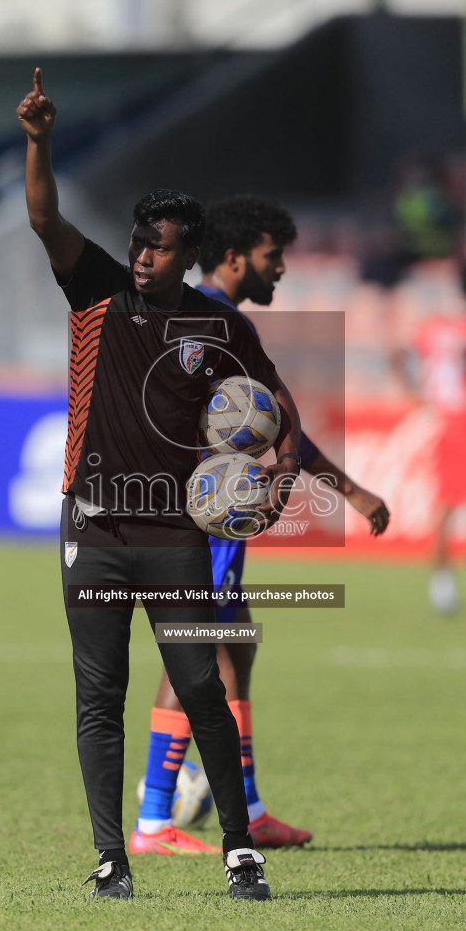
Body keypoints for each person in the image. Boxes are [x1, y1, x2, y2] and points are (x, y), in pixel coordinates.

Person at [19, 69, 303, 901]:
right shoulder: (98, 290)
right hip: (95, 531)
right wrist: (38, 140)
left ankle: (239, 849)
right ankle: (112, 857)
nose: (142, 253)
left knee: (198, 686)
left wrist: (277, 468)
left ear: (190, 254)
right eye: (139, 238)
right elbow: (42, 216)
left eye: (160, 244)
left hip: (174, 533)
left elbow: (276, 405)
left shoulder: (220, 327)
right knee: (98, 694)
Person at [130, 195, 391, 857]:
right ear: (235, 257)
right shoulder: (203, 324)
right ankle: (154, 819)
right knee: (200, 651)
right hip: (198, 520)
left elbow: (279, 421)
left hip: (209, 515)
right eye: (274, 258)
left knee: (234, 647)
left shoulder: (214, 319)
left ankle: (245, 806)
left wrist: (344, 491)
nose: (280, 271)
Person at [394, 264, 466, 619]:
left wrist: (416, 397)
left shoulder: (433, 325)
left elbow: (395, 355)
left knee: (445, 503)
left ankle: (442, 589)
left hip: (438, 419)